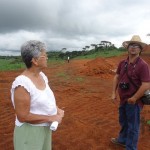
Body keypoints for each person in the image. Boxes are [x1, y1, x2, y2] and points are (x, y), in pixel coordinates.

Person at [11, 40, 64, 150]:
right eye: (44, 55)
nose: (47, 58)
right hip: (29, 133)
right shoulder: (22, 84)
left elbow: (45, 99)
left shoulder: (42, 76)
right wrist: (51, 117)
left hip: (45, 129)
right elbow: (23, 116)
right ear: (35, 60)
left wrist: (56, 109)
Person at [111, 35, 150, 150]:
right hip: (123, 99)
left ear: (140, 49)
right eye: (131, 45)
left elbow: (146, 84)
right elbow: (117, 77)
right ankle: (122, 140)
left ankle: (131, 147)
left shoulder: (143, 66)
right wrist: (113, 93)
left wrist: (134, 98)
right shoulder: (122, 63)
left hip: (135, 102)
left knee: (133, 126)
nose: (133, 48)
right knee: (123, 121)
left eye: (136, 46)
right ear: (127, 48)